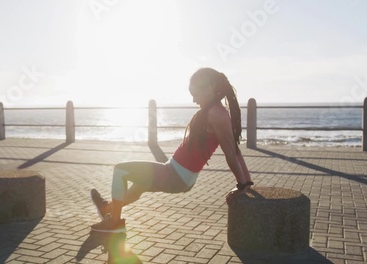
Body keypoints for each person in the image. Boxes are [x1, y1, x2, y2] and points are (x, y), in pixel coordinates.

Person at [90, 68, 253, 233]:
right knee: (140, 185)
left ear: (209, 88)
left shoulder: (216, 113)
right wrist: (247, 183)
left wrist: (242, 185)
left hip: (175, 175)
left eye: (195, 94)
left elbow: (231, 153)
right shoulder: (215, 111)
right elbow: (235, 151)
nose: (194, 100)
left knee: (120, 170)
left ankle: (114, 223)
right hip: (176, 172)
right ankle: (107, 209)